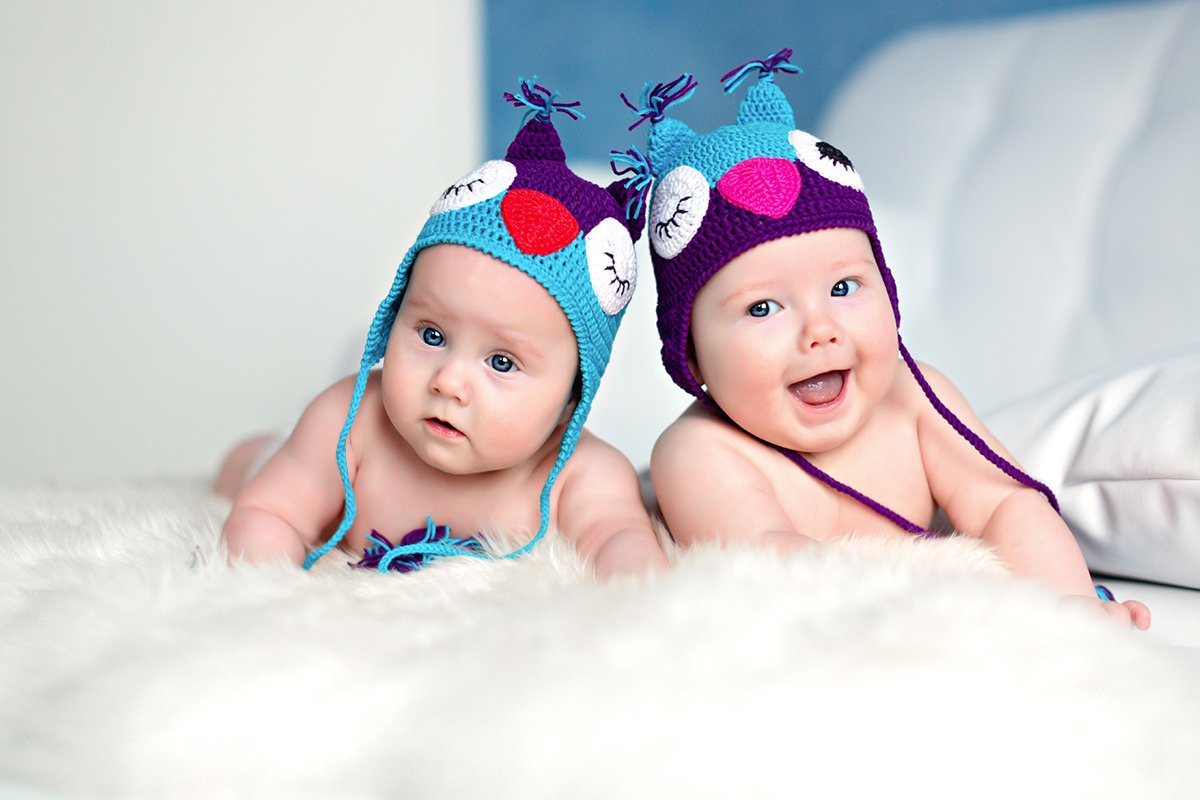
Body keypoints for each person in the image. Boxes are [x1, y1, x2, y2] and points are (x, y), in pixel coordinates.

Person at [627, 50, 1149, 627]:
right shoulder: (700, 452)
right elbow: (768, 563)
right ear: (691, 352)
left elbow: (1006, 500)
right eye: (763, 307)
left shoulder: (916, 397)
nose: (820, 330)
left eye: (845, 286)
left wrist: (1067, 605)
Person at [219, 80, 667, 580]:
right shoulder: (348, 424)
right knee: (253, 467)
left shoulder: (579, 474)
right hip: (307, 448)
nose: (448, 382)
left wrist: (633, 585)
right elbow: (271, 514)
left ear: (571, 396)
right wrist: (265, 578)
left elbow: (620, 537)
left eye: (501, 362)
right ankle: (249, 453)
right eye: (431, 335)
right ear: (395, 315)